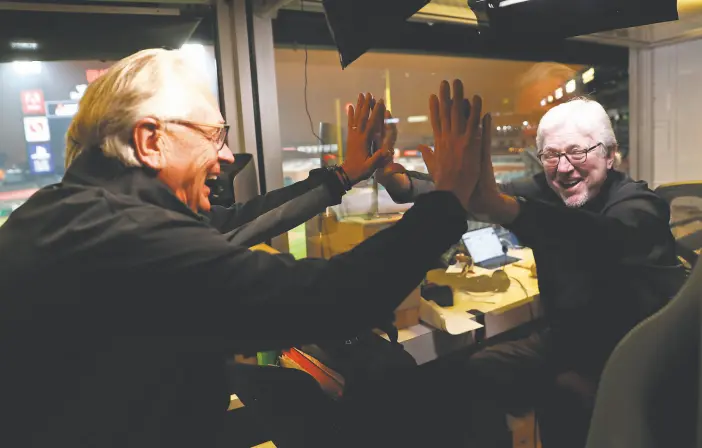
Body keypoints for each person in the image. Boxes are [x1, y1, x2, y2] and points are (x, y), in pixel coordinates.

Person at [0, 47, 482, 448]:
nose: (227, 155)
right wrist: (447, 201)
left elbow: (227, 226)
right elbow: (332, 299)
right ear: (151, 141)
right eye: (215, 135)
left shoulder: (66, 211)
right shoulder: (129, 239)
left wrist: (342, 176)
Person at [377, 97, 681, 447]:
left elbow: (601, 237)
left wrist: (510, 211)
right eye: (552, 155)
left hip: (632, 356)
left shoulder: (640, 205)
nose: (564, 168)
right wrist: (403, 186)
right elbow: (483, 194)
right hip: (567, 340)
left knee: (566, 403)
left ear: (610, 155)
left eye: (577, 152)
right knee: (468, 373)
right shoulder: (549, 189)